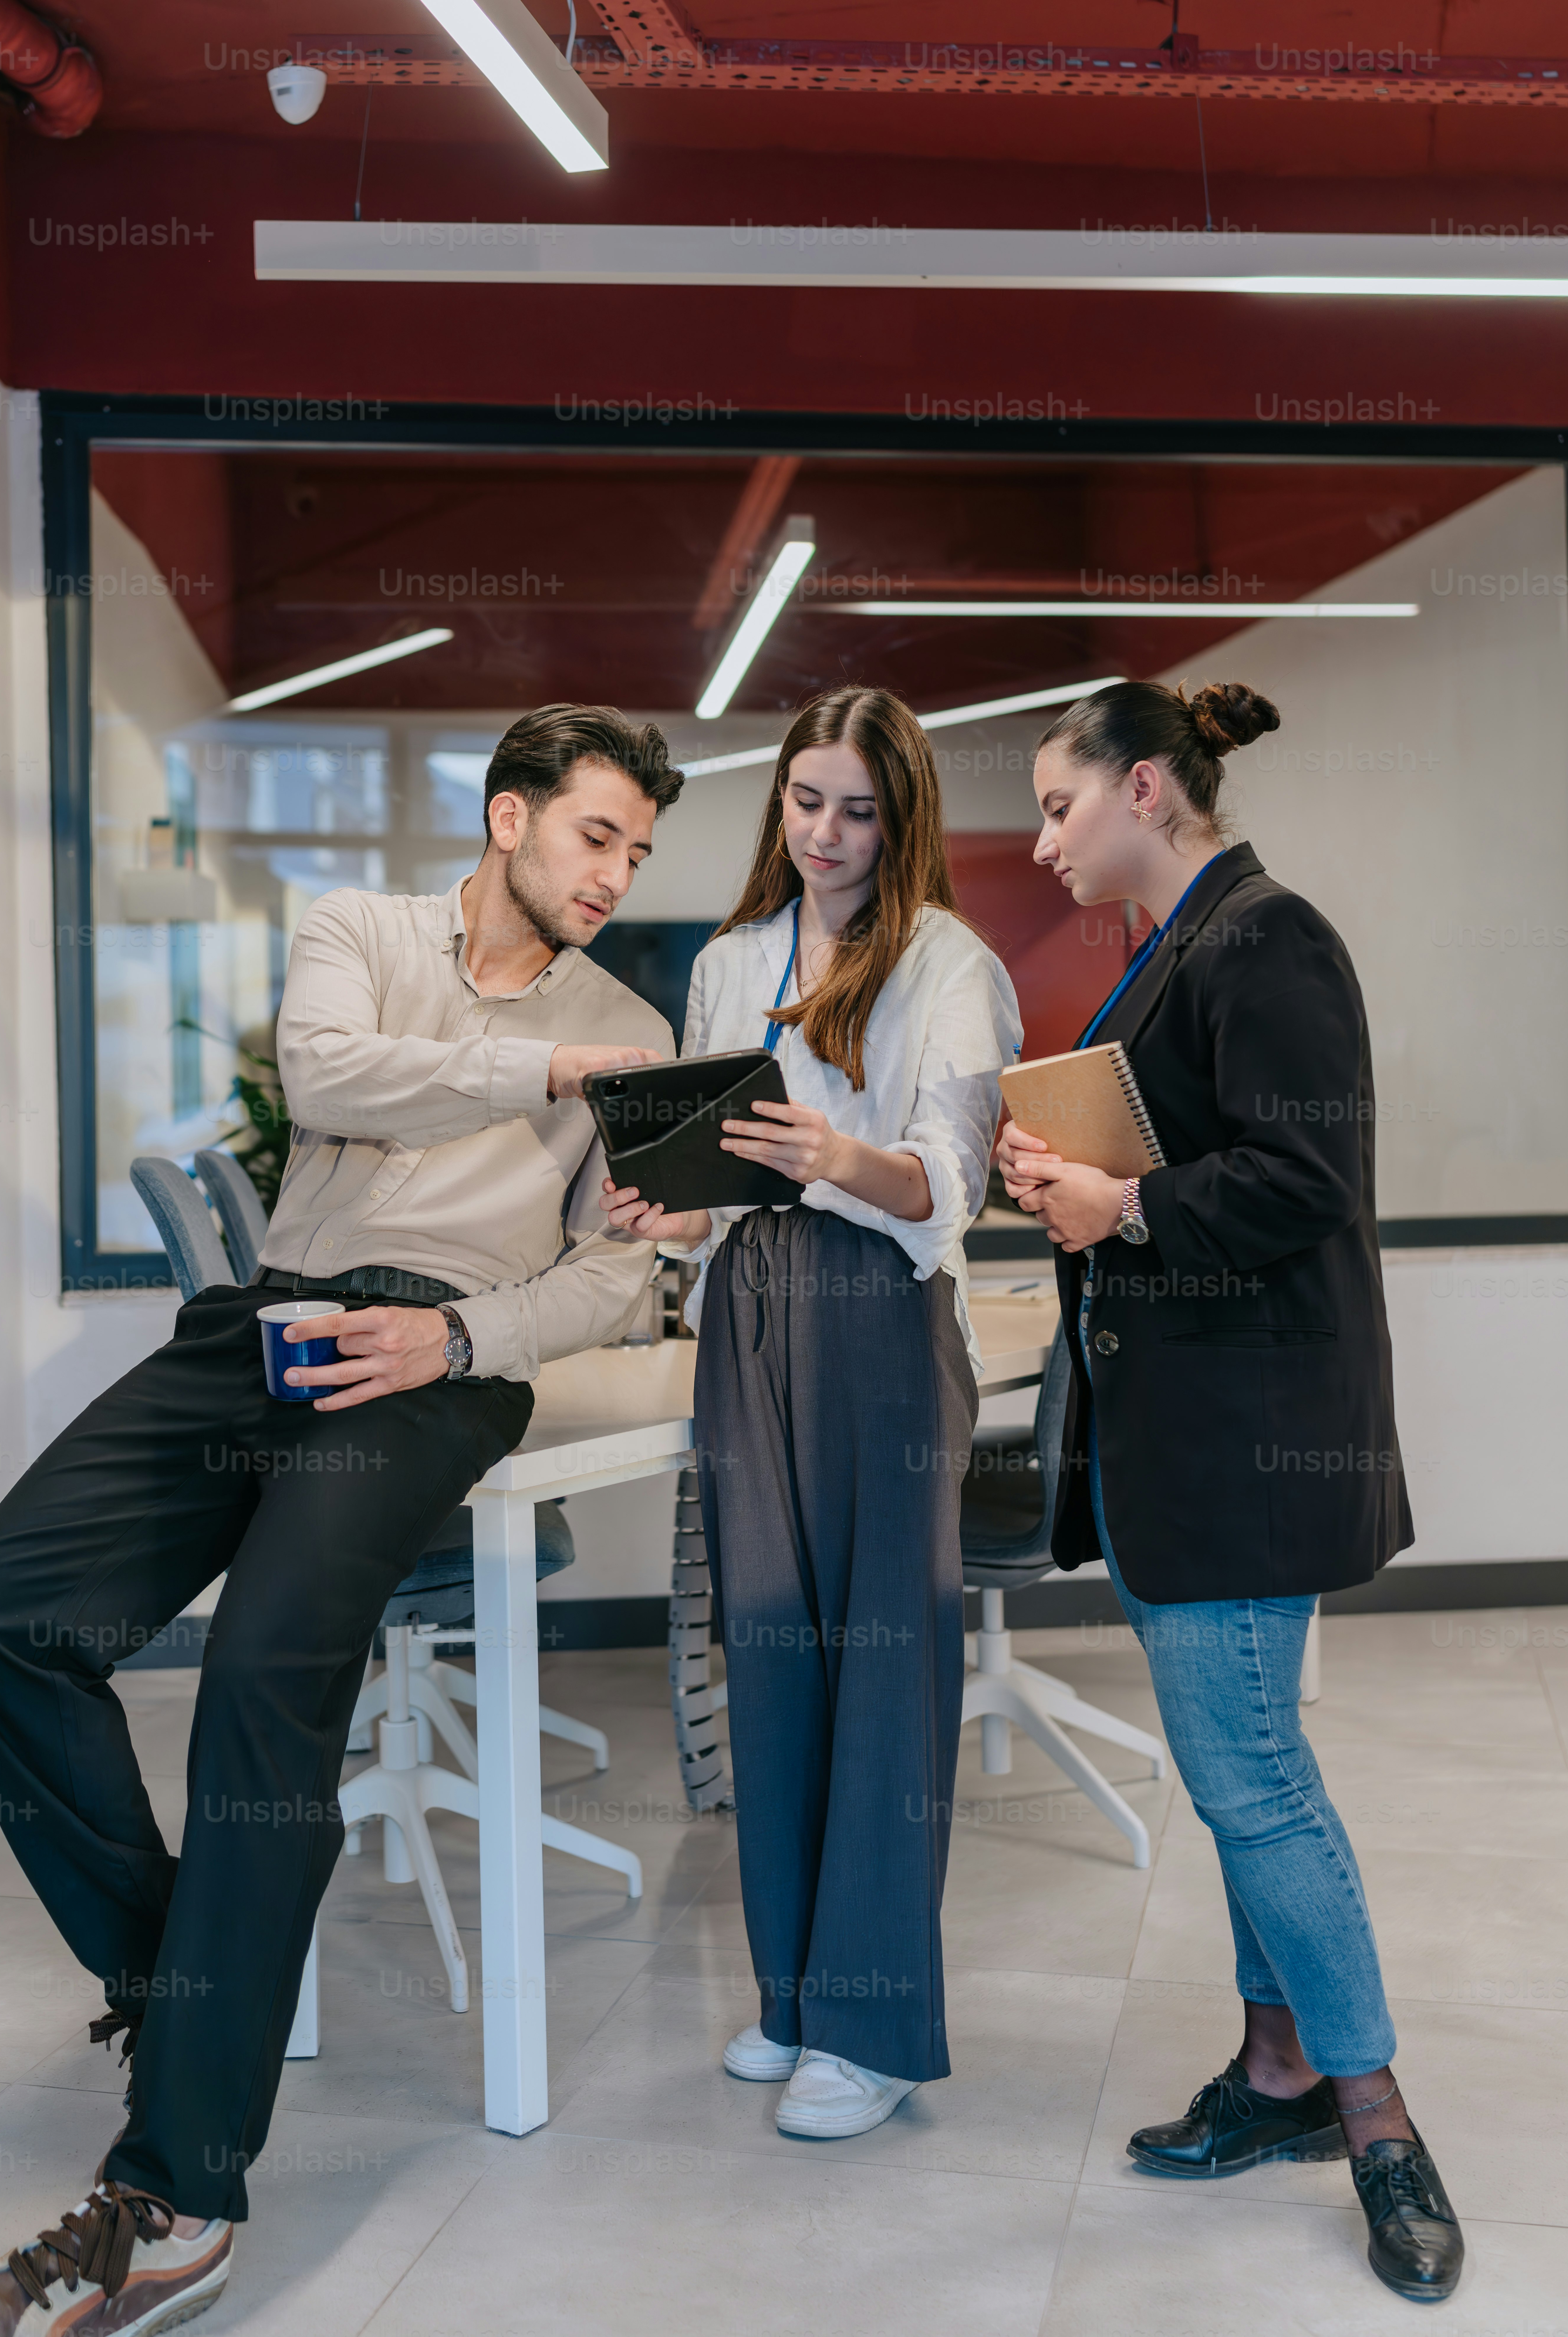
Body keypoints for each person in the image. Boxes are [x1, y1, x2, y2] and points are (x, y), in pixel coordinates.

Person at [0, 705, 681, 2337]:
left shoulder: (638, 1025)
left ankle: (178, 2194)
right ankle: (178, 1981)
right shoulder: (366, 935)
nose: (616, 873)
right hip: (266, 1324)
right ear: (508, 817)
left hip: (434, 1366)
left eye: (636, 849)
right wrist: (548, 1068)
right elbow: (333, 1072)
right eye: (594, 833)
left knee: (264, 1676)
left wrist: (453, 1338)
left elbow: (616, 1273)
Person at [997, 678, 1463, 2305]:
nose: (1041, 840)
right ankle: (1278, 2070)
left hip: (1244, 1445)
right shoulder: (1167, 952)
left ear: (1145, 787)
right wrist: (1068, 1177)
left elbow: (1302, 1174)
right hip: (1178, 1439)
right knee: (1234, 1777)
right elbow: (1186, 1153)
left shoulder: (1268, 937)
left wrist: (1115, 1205)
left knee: (1254, 1780)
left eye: (1057, 804)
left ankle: (1376, 2116)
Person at [601, 684, 1021, 2139]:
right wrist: (661, 1208)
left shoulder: (951, 962)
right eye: (805, 801)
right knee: (772, 1653)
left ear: (899, 818)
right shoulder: (730, 961)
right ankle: (793, 1998)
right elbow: (712, 1182)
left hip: (878, 1311)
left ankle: (874, 2023)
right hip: (747, 1310)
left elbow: (947, 1186)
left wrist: (834, 1154)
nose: (828, 833)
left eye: (858, 808)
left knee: (883, 1663)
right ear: (776, 800)